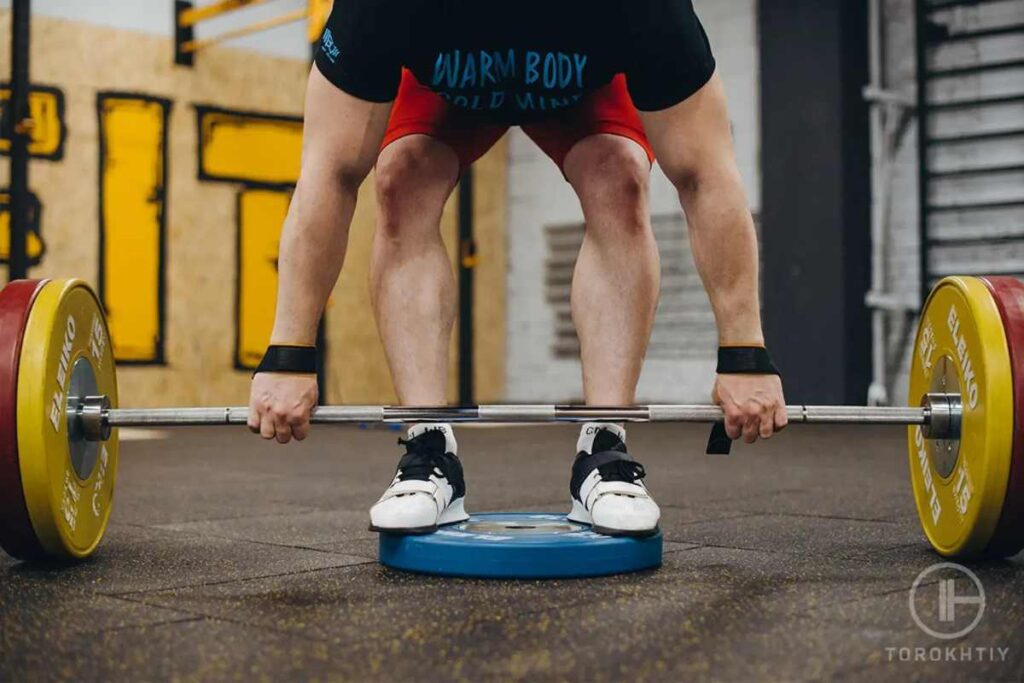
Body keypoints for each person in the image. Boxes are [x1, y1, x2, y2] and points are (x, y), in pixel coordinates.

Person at [247, 0, 787, 538]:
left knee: (620, 178)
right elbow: (331, 174)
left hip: (583, 92)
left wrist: (745, 351)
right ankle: (427, 446)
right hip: (443, 95)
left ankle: (603, 446)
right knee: (401, 179)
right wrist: (289, 352)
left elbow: (706, 174)